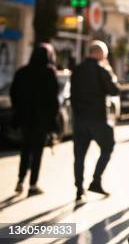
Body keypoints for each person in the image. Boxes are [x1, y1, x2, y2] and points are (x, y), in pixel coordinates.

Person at [71, 40, 120, 201]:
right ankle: (96, 180)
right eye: (105, 54)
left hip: (79, 119)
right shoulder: (101, 69)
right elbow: (114, 90)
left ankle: (79, 189)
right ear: (99, 53)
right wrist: (110, 71)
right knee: (108, 147)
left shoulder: (77, 69)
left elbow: (72, 94)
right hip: (98, 118)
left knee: (79, 155)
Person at [10, 44, 59, 196]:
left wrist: (20, 110)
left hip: (25, 119)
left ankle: (20, 180)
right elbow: (53, 99)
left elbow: (13, 94)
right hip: (41, 121)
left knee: (25, 149)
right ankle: (32, 185)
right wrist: (53, 120)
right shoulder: (49, 73)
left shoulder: (22, 72)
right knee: (37, 152)